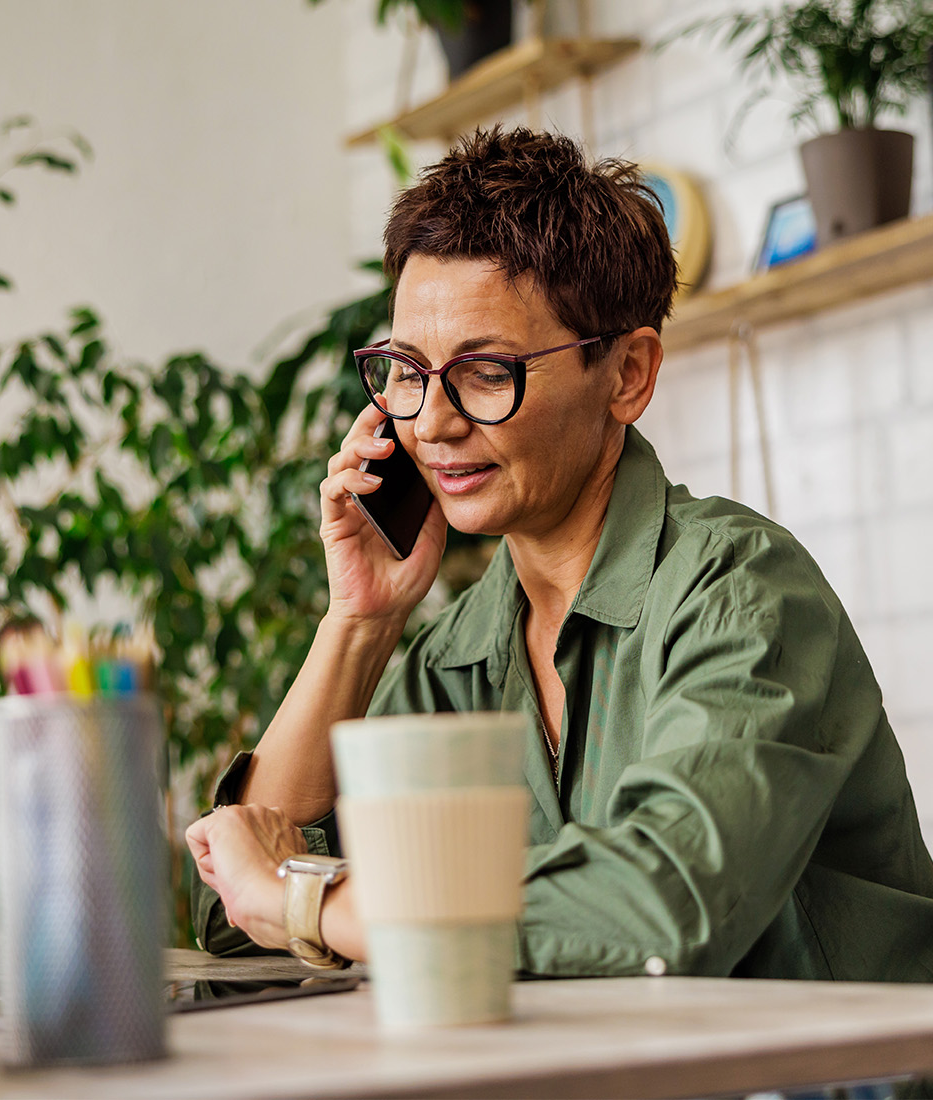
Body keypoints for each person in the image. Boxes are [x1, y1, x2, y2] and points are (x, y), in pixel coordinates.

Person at [186, 126, 933, 981]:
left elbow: (658, 906)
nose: (429, 421)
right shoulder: (456, 655)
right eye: (405, 369)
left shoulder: (741, 593)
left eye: (487, 370)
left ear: (627, 376)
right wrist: (359, 620)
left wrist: (310, 902)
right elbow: (231, 911)